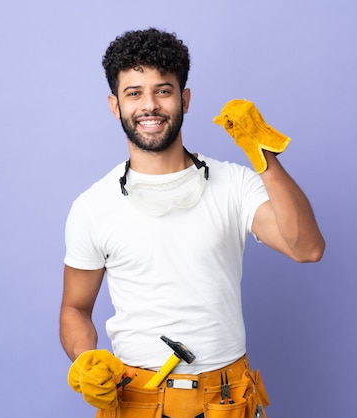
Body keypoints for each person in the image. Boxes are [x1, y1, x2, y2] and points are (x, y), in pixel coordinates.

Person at [60, 28, 325, 418]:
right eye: (134, 93)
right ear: (115, 105)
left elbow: (307, 248)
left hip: (227, 400)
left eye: (163, 90)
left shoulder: (233, 183)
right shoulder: (92, 206)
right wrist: (85, 361)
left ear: (184, 99)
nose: (149, 105)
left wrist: (263, 153)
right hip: (137, 401)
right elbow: (75, 309)